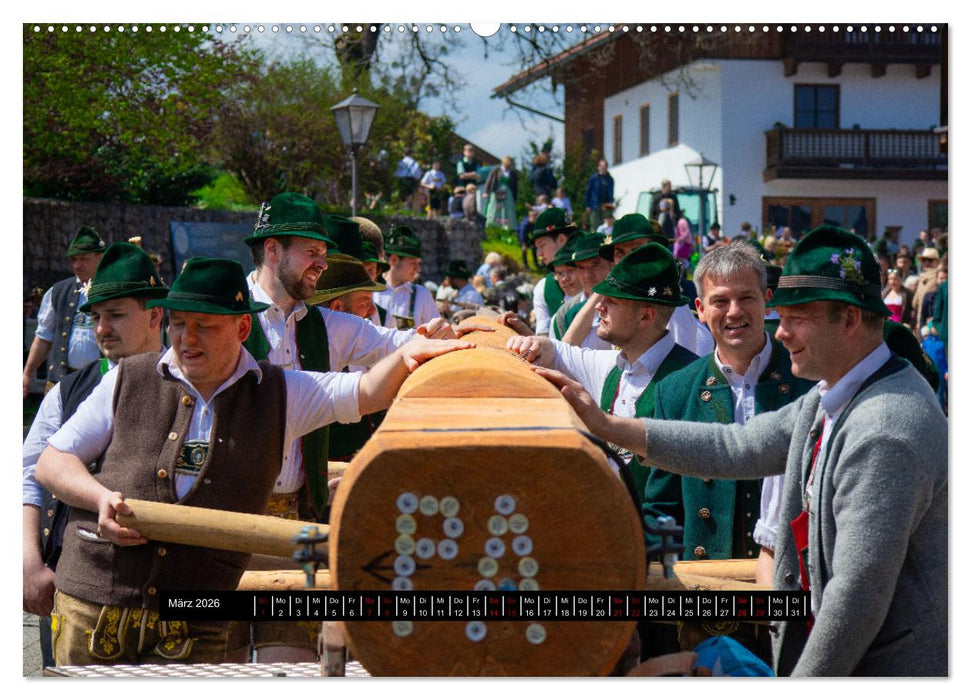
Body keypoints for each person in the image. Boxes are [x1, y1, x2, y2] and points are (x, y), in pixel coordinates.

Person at [538, 225, 947, 676]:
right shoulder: (841, 392)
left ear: (849, 321)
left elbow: (855, 603)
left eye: (795, 317)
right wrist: (606, 425)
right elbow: (741, 446)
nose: (782, 332)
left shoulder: (884, 429)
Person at [35, 257, 474, 666]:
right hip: (95, 605)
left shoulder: (282, 393)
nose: (187, 339)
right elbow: (53, 462)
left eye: (204, 326)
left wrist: (410, 353)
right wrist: (100, 498)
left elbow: (367, 392)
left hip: (198, 616)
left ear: (243, 327)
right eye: (179, 324)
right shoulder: (129, 378)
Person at [643, 242, 815, 661]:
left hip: (793, 597)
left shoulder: (809, 385)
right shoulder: (674, 390)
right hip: (707, 602)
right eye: (720, 301)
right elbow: (661, 506)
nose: (734, 312)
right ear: (700, 309)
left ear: (767, 301)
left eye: (746, 298)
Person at [23, 242, 168, 669]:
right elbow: (29, 474)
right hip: (78, 583)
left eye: (116, 315)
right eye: (97, 317)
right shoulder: (67, 392)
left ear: (155, 315)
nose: (102, 328)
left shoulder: (187, 384)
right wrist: (29, 562)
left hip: (169, 587)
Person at [508, 242, 698, 505]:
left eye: (611, 301)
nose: (600, 307)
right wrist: (529, 343)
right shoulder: (613, 365)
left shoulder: (691, 381)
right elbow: (556, 351)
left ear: (646, 316)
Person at [23, 226, 107, 397]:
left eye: (84, 259)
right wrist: (27, 374)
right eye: (73, 260)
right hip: (63, 378)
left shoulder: (114, 292)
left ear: (100, 257)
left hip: (102, 378)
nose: (77, 265)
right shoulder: (58, 292)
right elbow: (44, 337)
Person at [550, 232, 612, 349]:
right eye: (581, 268)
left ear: (612, 264)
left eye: (595, 265)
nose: (587, 275)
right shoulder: (566, 314)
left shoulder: (628, 305)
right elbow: (561, 356)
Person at [373, 226, 441, 330]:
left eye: (418, 263)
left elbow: (437, 332)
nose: (418, 269)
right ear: (394, 260)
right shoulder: (372, 292)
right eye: (413, 262)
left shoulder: (422, 295)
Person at [524, 207, 577, 335]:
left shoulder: (595, 276)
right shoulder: (543, 288)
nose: (539, 254)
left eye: (542, 245)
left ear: (562, 240)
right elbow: (543, 337)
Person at [484, 155, 518, 229]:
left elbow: (515, 187)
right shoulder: (496, 170)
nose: (508, 167)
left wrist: (515, 198)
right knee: (494, 209)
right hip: (496, 192)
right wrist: (486, 192)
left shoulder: (513, 173)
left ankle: (506, 227)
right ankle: (493, 226)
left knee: (507, 210)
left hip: (508, 193)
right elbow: (489, 181)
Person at [584, 159, 614, 232]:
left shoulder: (610, 179)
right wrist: (588, 205)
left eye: (605, 166)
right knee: (595, 226)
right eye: (601, 166)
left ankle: (606, 242)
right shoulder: (593, 178)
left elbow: (611, 193)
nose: (603, 168)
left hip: (606, 206)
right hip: (594, 206)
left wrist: (609, 204)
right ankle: (595, 242)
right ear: (598, 167)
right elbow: (588, 192)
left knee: (607, 226)